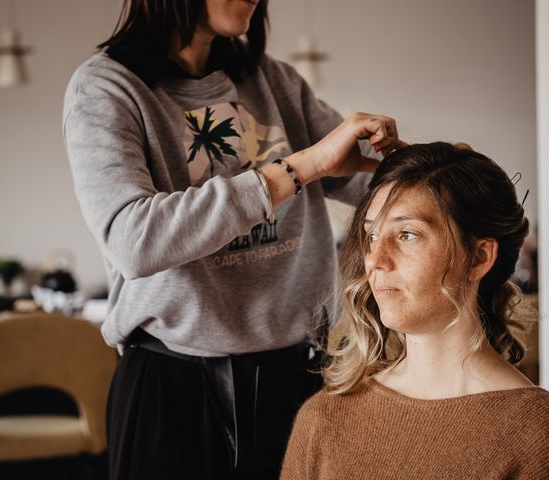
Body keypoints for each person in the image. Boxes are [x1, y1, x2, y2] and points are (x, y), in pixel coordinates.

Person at [62, 1, 404, 479]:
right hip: (172, 387)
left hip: (300, 376)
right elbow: (134, 240)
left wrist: (434, 171)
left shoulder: (274, 81)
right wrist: (301, 167)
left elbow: (366, 180)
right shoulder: (107, 88)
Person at [281, 142, 549, 479]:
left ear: (480, 257)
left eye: (407, 234)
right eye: (371, 235)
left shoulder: (537, 436)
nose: (376, 260)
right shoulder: (324, 418)